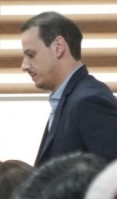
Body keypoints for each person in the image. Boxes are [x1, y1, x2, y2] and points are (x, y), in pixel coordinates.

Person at [20, 11, 117, 166]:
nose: (24, 66)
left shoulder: (89, 101)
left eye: (31, 54)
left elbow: (111, 174)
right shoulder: (72, 99)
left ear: (58, 47)